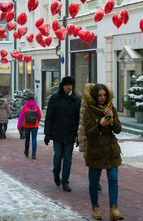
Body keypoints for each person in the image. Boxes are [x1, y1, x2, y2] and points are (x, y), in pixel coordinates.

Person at [82, 83, 123, 220]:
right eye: (99, 95)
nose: (102, 98)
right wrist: (100, 125)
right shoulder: (89, 111)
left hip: (111, 150)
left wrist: (112, 119)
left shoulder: (111, 108)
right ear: (94, 96)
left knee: (113, 179)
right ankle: (95, 207)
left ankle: (114, 209)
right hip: (95, 151)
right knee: (94, 181)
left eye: (104, 95)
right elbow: (88, 133)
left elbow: (118, 129)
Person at [44, 76, 81, 192]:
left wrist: (79, 135)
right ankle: (56, 173)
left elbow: (79, 119)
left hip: (70, 133)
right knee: (58, 156)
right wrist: (47, 133)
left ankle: (65, 181)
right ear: (63, 85)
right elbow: (49, 116)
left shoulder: (76, 100)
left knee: (68, 159)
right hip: (58, 133)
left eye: (71, 85)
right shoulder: (55, 98)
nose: (69, 87)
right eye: (67, 85)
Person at [77, 83, 103, 192]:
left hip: (99, 136)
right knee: (92, 161)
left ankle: (95, 181)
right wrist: (82, 139)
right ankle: (94, 182)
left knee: (99, 161)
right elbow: (83, 123)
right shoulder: (86, 104)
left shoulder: (101, 103)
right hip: (89, 136)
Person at [17, 92, 41, 159]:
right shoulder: (36, 106)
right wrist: (37, 122)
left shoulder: (25, 106)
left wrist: (19, 125)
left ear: (27, 99)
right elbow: (39, 116)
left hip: (26, 125)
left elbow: (21, 116)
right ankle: (34, 153)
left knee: (27, 139)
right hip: (35, 125)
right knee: (34, 139)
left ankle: (26, 151)